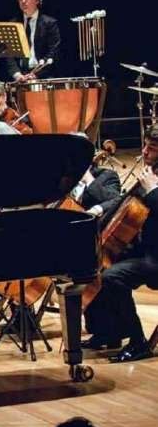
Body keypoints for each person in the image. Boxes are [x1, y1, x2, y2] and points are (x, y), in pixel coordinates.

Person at [83, 125, 158, 362]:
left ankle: (138, 342)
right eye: (145, 145)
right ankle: (108, 332)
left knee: (113, 277)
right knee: (93, 265)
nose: (144, 152)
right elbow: (124, 200)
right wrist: (101, 214)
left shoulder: (153, 183)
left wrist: (153, 191)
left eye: (152, 148)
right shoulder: (151, 173)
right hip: (145, 249)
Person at [5, 0, 61, 82]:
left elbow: (53, 53)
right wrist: (17, 74)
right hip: (19, 76)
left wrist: (36, 74)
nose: (23, 1)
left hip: (43, 77)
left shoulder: (49, 23)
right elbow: (9, 55)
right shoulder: (13, 24)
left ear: (37, 0)